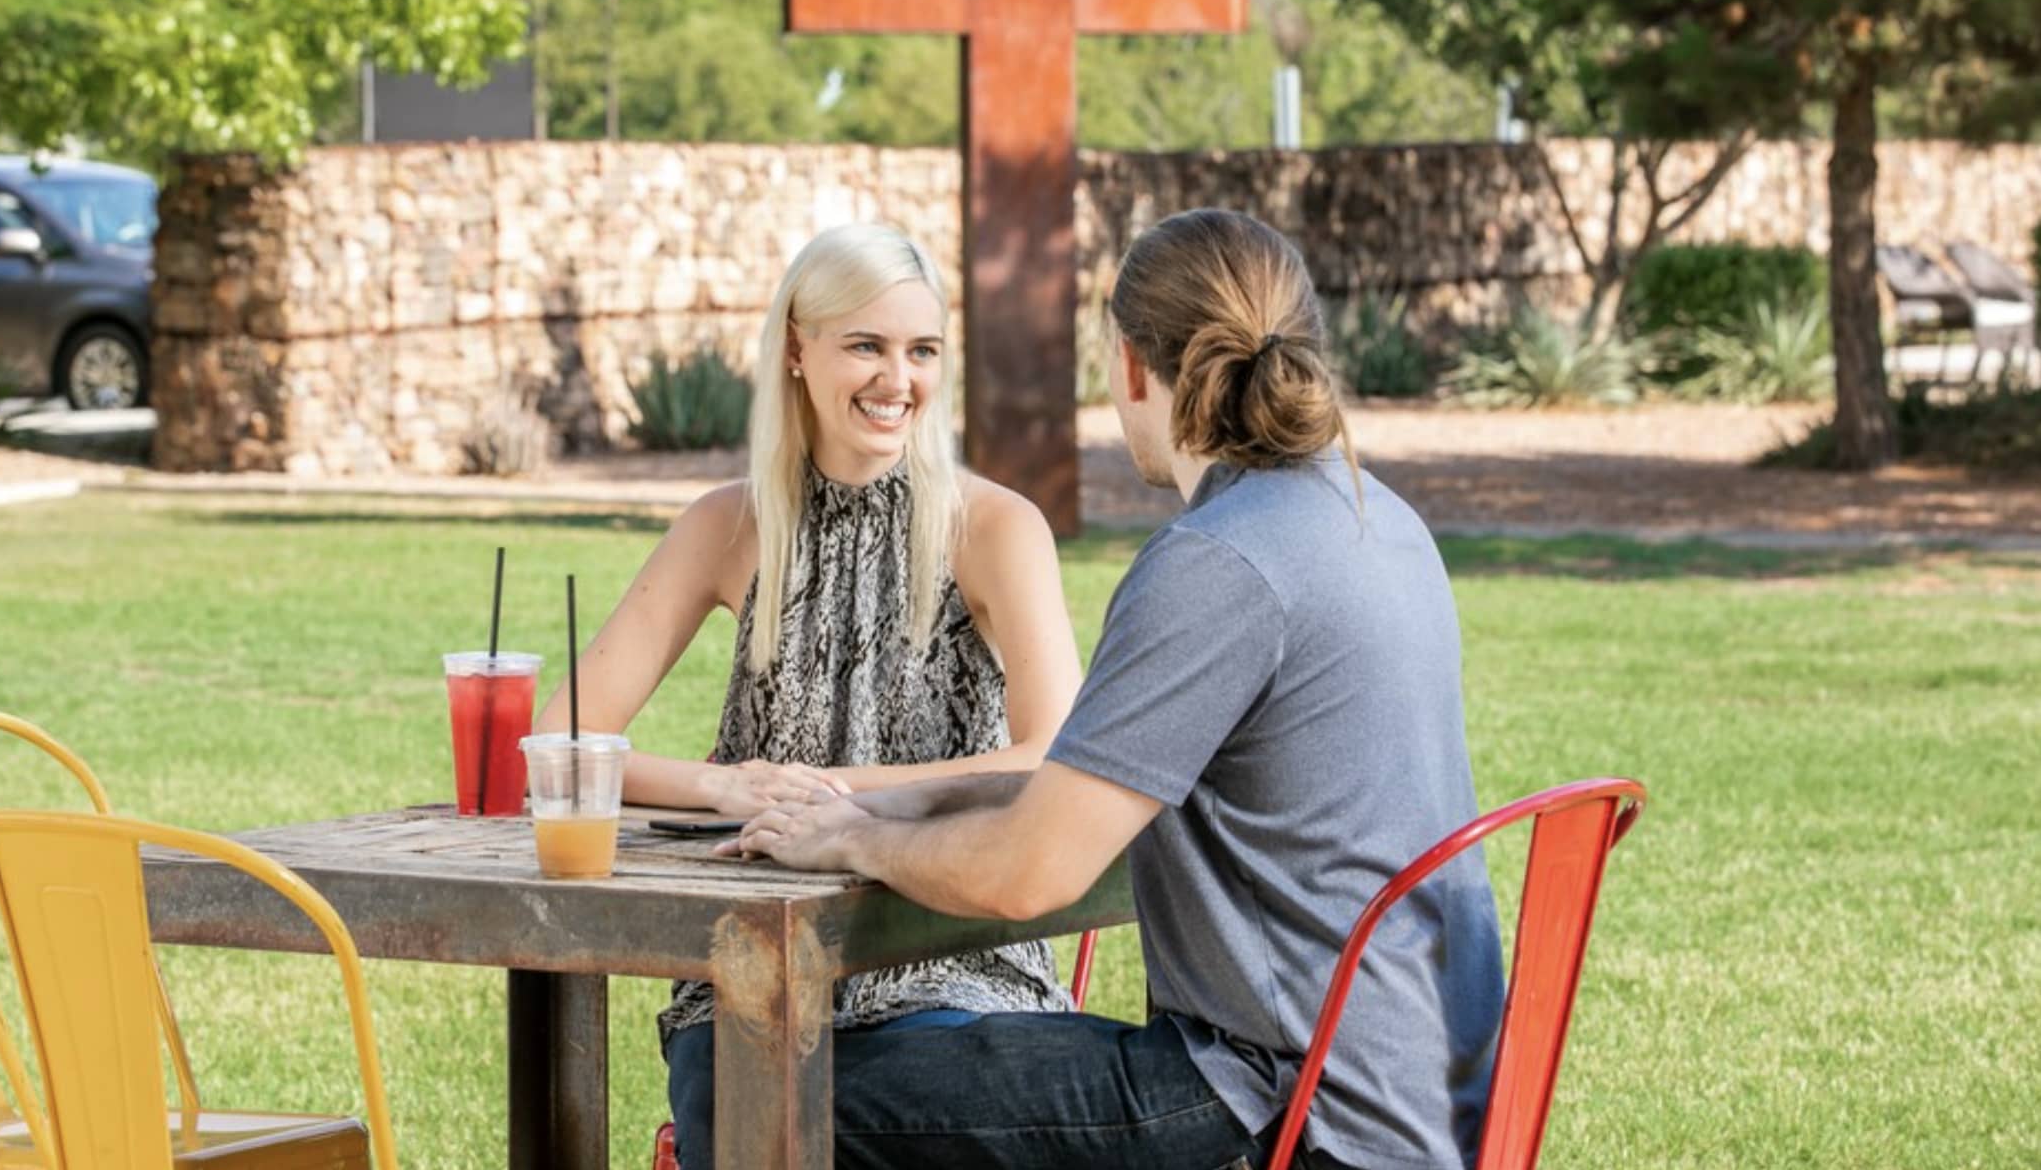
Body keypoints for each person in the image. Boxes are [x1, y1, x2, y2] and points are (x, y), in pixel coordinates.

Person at [724, 209, 1508, 1170]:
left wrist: (855, 835)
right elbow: (1079, 786)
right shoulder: (1376, 519)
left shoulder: (1215, 564)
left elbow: (1032, 871)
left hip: (1287, 1109)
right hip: (1422, 1099)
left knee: (753, 1087)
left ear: (1132, 366)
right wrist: (907, 793)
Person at [529, 222, 1088, 1159]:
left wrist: (833, 796)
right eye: (865, 345)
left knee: (835, 1120)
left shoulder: (993, 526)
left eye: (921, 351)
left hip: (954, 962)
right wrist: (727, 784)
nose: (896, 379)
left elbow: (1052, 754)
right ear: (796, 346)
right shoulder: (727, 525)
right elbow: (560, 742)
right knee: (748, 1094)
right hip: (756, 976)